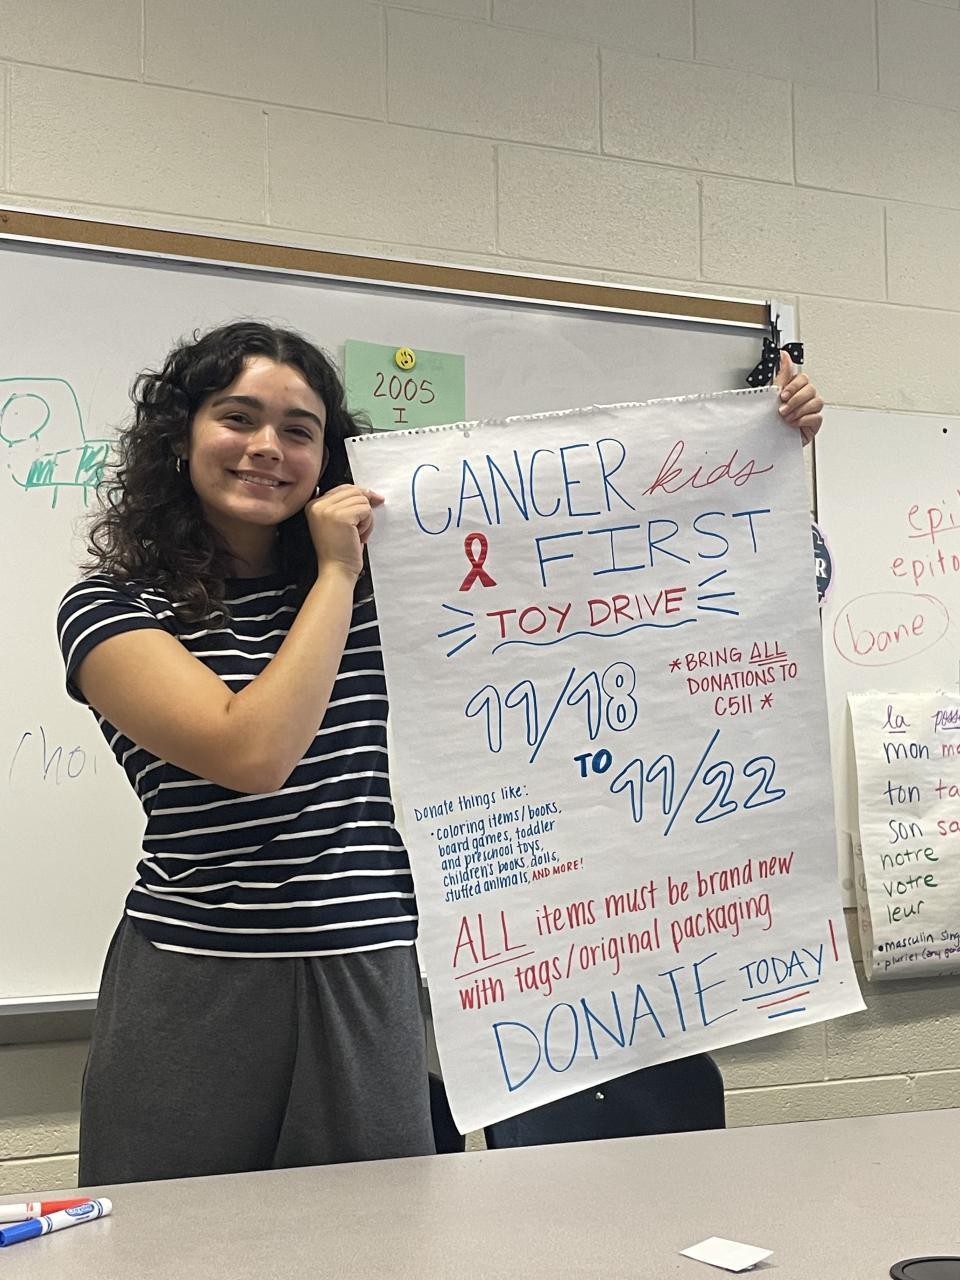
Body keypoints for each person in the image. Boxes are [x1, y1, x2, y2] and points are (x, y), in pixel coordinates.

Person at [57, 320, 822, 1186]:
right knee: (170, 1235)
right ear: (181, 437)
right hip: (197, 975)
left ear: (327, 458)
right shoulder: (114, 607)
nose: (268, 447)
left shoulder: (397, 586)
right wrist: (336, 576)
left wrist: (761, 455)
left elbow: (619, 594)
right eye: (237, 418)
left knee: (374, 1233)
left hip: (369, 967)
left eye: (300, 431)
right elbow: (253, 753)